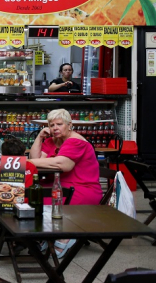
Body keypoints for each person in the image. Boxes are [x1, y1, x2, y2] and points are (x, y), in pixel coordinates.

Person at [28, 108, 102, 258]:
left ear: (69, 124)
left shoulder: (75, 141)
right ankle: (45, 235)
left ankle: (65, 234)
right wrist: (39, 138)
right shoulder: (52, 141)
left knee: (37, 199)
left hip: (81, 188)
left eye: (59, 124)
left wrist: (23, 163)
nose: (55, 128)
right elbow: (37, 159)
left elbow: (64, 165)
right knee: (29, 195)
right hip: (58, 184)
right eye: (51, 125)